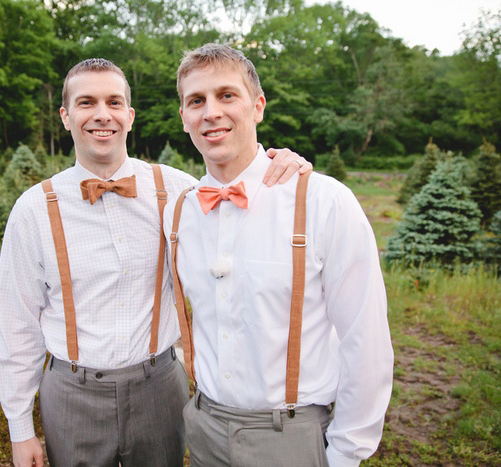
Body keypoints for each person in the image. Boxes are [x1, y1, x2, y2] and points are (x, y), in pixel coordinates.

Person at [0, 57, 312, 467]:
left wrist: (284, 164)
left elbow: (242, 203)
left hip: (160, 388)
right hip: (71, 394)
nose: (101, 115)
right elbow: (16, 324)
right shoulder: (34, 209)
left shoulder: (178, 191)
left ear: (130, 115)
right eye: (86, 103)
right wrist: (20, 429)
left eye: (114, 102)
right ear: (66, 116)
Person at [163, 44, 394, 467]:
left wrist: (346, 453)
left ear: (258, 107)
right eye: (196, 101)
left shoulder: (323, 201)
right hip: (205, 429)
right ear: (184, 118)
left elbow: (366, 339)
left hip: (290, 436)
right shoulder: (179, 211)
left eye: (226, 95)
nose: (211, 112)